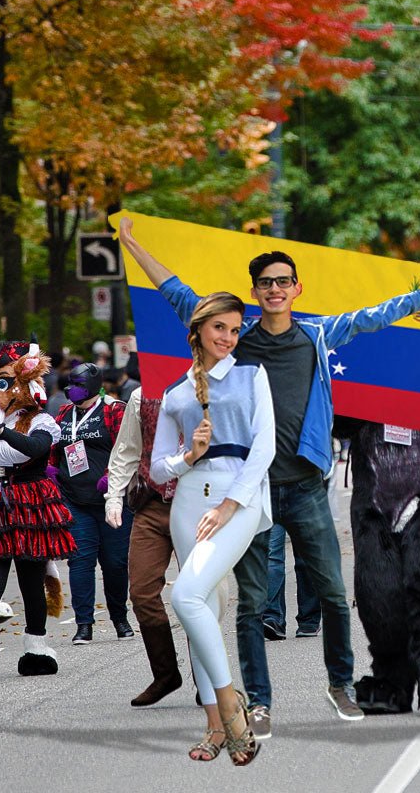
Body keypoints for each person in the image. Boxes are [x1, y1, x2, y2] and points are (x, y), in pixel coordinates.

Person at [119, 216, 420, 734]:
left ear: (297, 289)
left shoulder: (319, 335)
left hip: (304, 487)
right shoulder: (237, 340)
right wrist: (133, 245)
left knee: (330, 592)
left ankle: (341, 686)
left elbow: (375, 317)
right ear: (254, 292)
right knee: (254, 603)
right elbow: (178, 295)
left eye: (284, 281)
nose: (275, 289)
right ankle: (259, 702)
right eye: (266, 283)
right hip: (249, 492)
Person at [151, 291, 272, 764]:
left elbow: (264, 447)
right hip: (187, 502)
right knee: (202, 609)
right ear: (199, 329)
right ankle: (214, 728)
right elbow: (158, 469)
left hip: (236, 499)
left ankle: (231, 709)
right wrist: (189, 456)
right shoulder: (177, 393)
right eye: (220, 327)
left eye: (235, 329)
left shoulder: (251, 374)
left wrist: (229, 504)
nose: (228, 337)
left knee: (185, 595)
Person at [0, 340, 72, 678]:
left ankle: (36, 647)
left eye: (7, 381)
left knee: (31, 579)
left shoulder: (41, 420)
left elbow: (32, 450)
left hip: (30, 503)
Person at [104, 388, 184, 706]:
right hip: (151, 506)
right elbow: (126, 451)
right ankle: (165, 674)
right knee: (141, 592)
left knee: (198, 594)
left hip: (196, 505)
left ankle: (208, 677)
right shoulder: (141, 396)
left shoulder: (212, 386)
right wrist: (113, 496)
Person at [52, 363, 133, 644]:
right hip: (75, 500)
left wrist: (112, 477)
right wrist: (51, 470)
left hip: (113, 500)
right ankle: (84, 624)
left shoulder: (114, 410)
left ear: (92, 384)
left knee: (115, 564)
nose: (70, 388)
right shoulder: (64, 413)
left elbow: (129, 449)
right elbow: (55, 447)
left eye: (77, 383)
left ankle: (120, 619)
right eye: (70, 383)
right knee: (80, 562)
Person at [262, 522, 321, 640]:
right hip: (274, 504)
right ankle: (273, 618)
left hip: (304, 504)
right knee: (272, 555)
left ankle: (309, 621)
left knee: (304, 557)